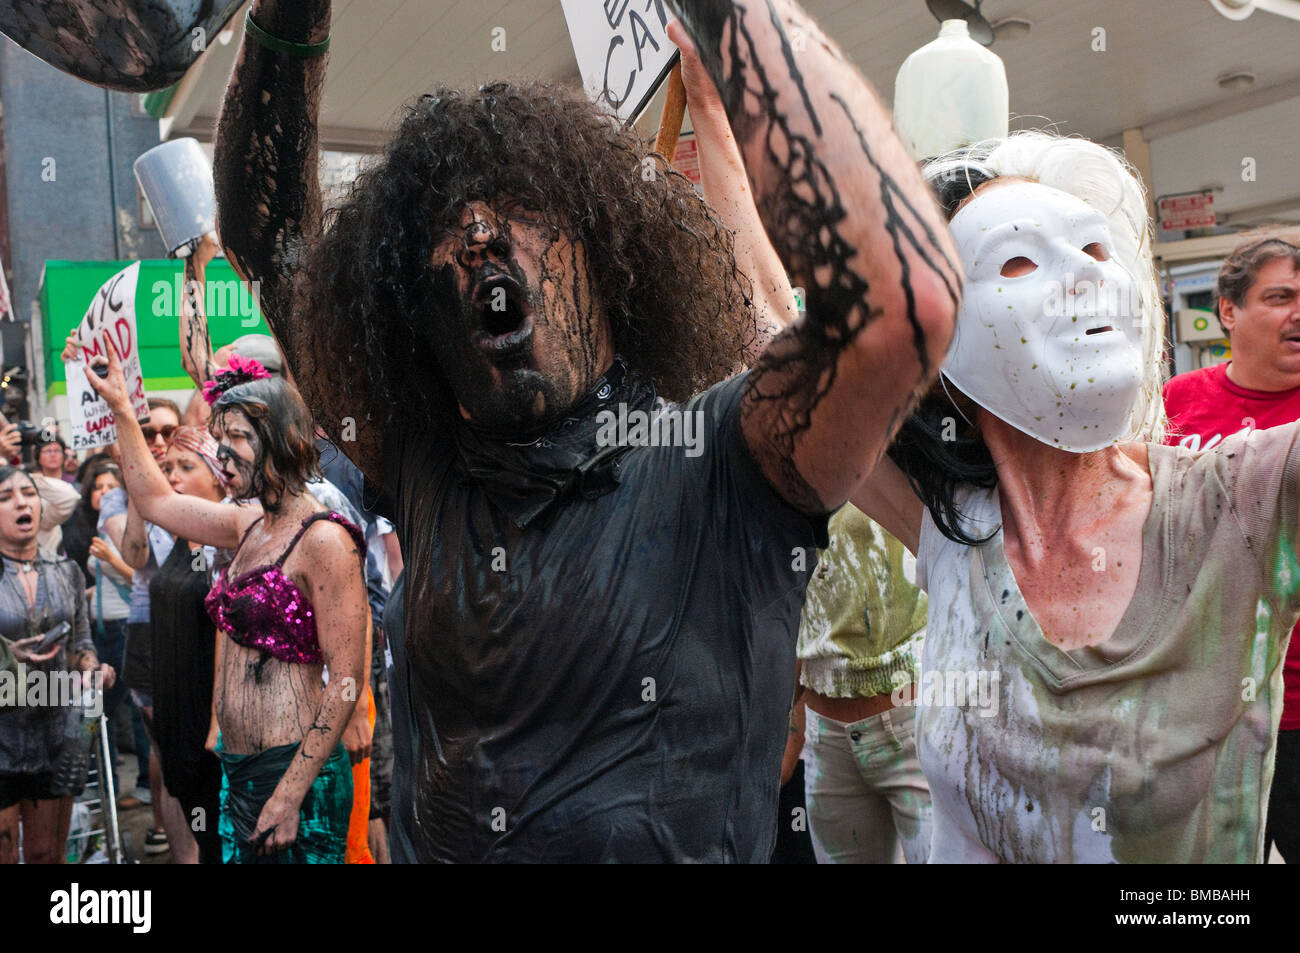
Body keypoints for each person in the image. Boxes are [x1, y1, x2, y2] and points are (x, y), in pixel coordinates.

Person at [212, 0, 958, 862]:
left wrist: (735, 22)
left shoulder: (727, 459)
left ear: (602, 253)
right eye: (445, 228)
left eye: (521, 208)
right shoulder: (423, 468)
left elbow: (901, 308)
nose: (480, 233)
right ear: (417, 315)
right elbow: (273, 238)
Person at [852, 131, 1296, 863]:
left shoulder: (1241, 498)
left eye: (1096, 251)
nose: (1087, 279)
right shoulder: (955, 530)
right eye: (1019, 260)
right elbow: (755, 330)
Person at [77, 342, 370, 864]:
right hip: (238, 770)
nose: (223, 452)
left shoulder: (324, 538)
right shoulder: (245, 524)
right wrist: (122, 408)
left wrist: (289, 793)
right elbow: (156, 501)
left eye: (238, 437)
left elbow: (346, 679)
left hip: (295, 775)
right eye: (220, 437)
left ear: (282, 440)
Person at [1162, 234, 1300, 862]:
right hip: (1199, 706)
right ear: (1228, 311)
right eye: (1280, 297)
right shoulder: (1175, 403)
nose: (1298, 312)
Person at [791, 504, 932, 863]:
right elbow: (788, 597)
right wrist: (790, 722)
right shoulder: (781, 460)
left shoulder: (907, 451)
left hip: (918, 725)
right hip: (826, 743)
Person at [0, 465, 114, 863]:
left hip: (56, 735)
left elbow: (81, 642)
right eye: (6, 497)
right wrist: (7, 655)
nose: (21, 503)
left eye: (29, 494)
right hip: (2, 734)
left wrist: (91, 665)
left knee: (45, 852)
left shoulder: (66, 572)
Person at [148, 426, 230, 864]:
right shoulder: (181, 538)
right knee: (201, 834)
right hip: (176, 720)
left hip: (211, 726)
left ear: (219, 475)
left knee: (220, 839)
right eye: (167, 469)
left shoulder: (232, 538)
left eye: (186, 467)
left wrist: (216, 722)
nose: (172, 477)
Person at [81, 462, 134, 803]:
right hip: (103, 631)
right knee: (102, 710)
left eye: (112, 486)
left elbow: (139, 580)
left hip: (126, 630)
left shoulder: (128, 531)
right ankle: (108, 792)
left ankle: (143, 784)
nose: (104, 493)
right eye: (98, 487)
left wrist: (110, 560)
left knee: (131, 707)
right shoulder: (98, 530)